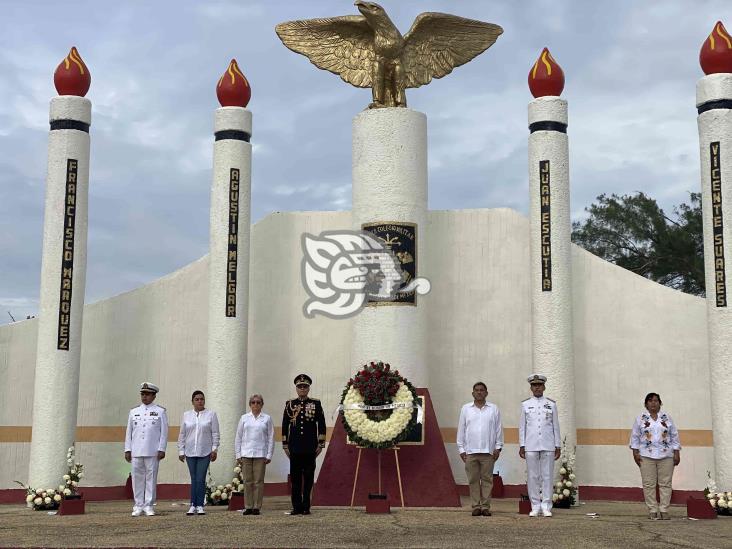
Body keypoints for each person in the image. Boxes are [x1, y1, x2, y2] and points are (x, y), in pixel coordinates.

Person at [629, 392, 681, 520]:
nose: (653, 403)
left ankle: (664, 510)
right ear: (646, 404)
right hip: (646, 455)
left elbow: (674, 435)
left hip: (666, 455)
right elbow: (635, 436)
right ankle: (652, 509)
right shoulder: (640, 418)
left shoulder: (666, 417)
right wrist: (635, 453)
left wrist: (676, 452)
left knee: (665, 484)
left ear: (660, 403)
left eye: (656, 400)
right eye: (650, 401)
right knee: (649, 484)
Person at [282, 373, 326, 515]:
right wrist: (285, 444)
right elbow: (285, 425)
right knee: (295, 479)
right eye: (300, 387)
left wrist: (320, 444)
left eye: (305, 387)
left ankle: (306, 506)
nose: (302, 389)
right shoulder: (290, 404)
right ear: (296, 388)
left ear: (308, 388)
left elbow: (322, 425)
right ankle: (296, 507)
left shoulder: (316, 403)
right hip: (294, 448)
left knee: (308, 479)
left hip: (310, 448)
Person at [457, 381, 504, 516]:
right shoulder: (466, 409)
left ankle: (485, 506)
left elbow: (498, 429)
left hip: (488, 452)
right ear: (473, 393)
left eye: (482, 390)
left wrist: (498, 447)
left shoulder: (493, 409)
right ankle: (476, 506)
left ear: (486, 393)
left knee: (487, 480)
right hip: (470, 452)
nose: (479, 392)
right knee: (473, 480)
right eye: (476, 390)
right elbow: (462, 429)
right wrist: (461, 449)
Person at [124, 382, 169, 517]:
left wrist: (162, 448)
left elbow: (164, 432)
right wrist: (127, 449)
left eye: (148, 394)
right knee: (137, 479)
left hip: (152, 451)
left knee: (151, 478)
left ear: (154, 396)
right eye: (143, 394)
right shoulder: (134, 411)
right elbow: (129, 432)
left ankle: (149, 505)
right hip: (136, 450)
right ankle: (138, 505)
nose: (145, 397)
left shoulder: (160, 411)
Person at [519, 374, 561, 517]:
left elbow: (556, 426)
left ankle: (546, 506)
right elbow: (522, 427)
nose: (537, 387)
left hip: (548, 444)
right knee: (533, 476)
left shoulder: (551, 404)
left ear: (544, 387)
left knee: (547, 476)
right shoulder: (525, 405)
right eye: (534, 385)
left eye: (539, 385)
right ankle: (535, 506)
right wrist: (522, 445)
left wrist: (557, 445)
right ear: (531, 388)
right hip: (531, 445)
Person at [177, 390, 220, 516]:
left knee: (201, 478)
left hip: (204, 451)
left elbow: (215, 433)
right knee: (194, 478)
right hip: (190, 451)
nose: (200, 401)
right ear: (192, 401)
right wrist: (181, 450)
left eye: (202, 399)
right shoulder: (186, 415)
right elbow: (182, 434)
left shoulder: (211, 415)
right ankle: (192, 505)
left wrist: (214, 449)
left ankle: (200, 505)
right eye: (197, 399)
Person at [235, 393, 275, 515]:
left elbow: (271, 437)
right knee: (247, 481)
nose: (255, 404)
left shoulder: (267, 418)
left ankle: (257, 506)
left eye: (258, 402)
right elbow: (238, 437)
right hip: (246, 453)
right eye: (253, 402)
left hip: (260, 454)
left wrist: (269, 455)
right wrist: (238, 454)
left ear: (262, 404)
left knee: (258, 481)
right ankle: (248, 506)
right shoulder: (244, 418)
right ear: (250, 404)